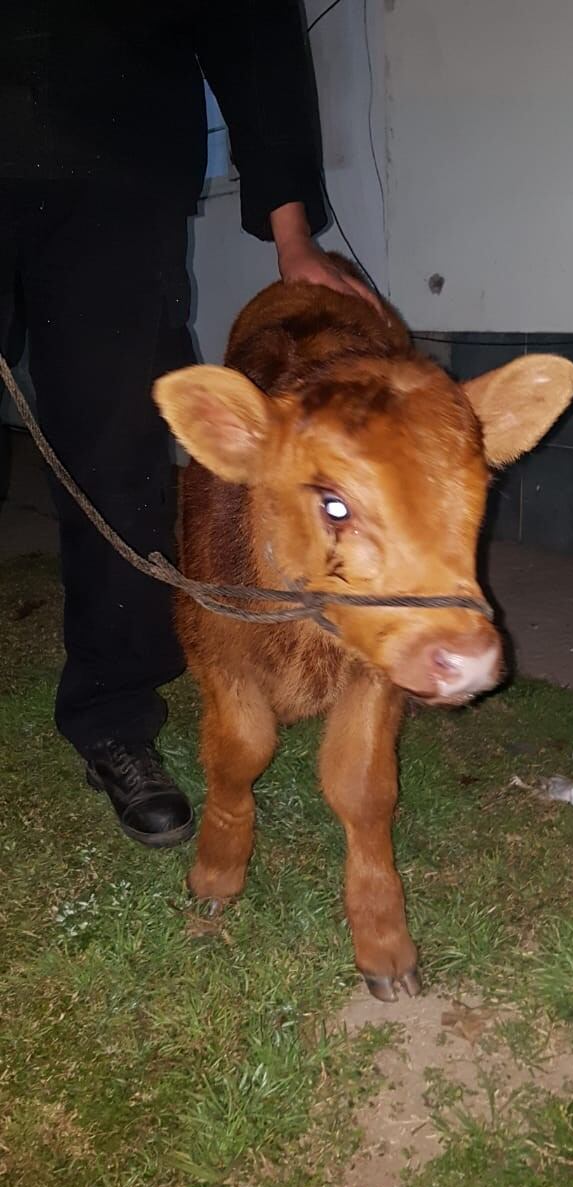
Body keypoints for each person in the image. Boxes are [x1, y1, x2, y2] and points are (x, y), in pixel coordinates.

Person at [0, 2, 377, 848]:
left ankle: (113, 720)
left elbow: (251, 23)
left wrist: (292, 233)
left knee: (118, 461)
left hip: (113, 169)